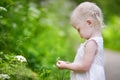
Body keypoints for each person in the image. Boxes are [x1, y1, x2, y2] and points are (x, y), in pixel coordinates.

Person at [56, 2, 105, 80]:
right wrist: (70, 64)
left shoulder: (92, 43)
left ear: (89, 23)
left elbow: (84, 67)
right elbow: (83, 63)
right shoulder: (95, 40)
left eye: (78, 29)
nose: (78, 33)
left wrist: (66, 66)